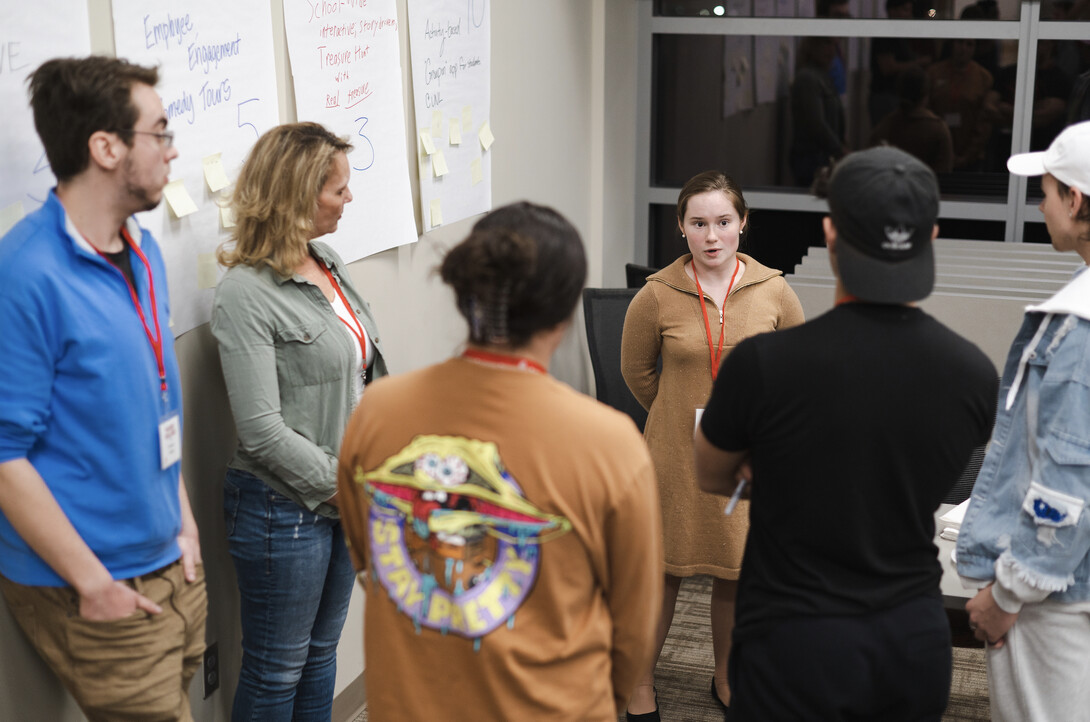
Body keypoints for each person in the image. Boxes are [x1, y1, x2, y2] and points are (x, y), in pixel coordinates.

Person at [694, 146, 997, 720]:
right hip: (909, 639)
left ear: (831, 235)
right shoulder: (973, 375)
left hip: (789, 635)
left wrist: (779, 464)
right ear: (930, 238)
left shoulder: (762, 366)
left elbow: (710, 472)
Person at [336, 202, 663, 721]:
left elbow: (368, 561)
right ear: (564, 314)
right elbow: (634, 629)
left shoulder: (377, 410)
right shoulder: (610, 444)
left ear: (465, 295)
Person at [0, 56, 207, 720]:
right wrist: (94, 584)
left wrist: (185, 526)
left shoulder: (139, 249)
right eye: (161, 134)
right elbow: (4, 459)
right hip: (100, 584)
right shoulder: (26, 274)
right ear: (107, 147)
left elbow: (154, 404)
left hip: (170, 560)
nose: (173, 153)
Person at [211, 122, 387, 721]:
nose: (349, 198)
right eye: (338, 188)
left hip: (341, 493)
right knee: (276, 669)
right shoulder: (243, 294)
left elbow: (360, 368)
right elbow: (260, 432)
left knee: (319, 658)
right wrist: (349, 483)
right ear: (297, 194)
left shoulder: (326, 261)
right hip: (280, 507)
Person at [621, 171, 804, 719]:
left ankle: (726, 677)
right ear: (681, 228)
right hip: (675, 453)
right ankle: (639, 682)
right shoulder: (657, 294)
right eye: (698, 223)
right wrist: (678, 411)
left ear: (743, 223)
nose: (712, 235)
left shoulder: (774, 290)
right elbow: (635, 371)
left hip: (747, 457)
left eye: (723, 221)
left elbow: (793, 368)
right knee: (664, 568)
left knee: (736, 569)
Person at [956, 120, 1090, 722]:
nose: (1039, 203)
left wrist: (1006, 594)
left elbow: (1067, 488)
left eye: (1046, 189)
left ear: (1077, 200)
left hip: (1057, 600)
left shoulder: (1082, 333)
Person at [869, 66, 954, 174]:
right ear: (926, 95)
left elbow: (873, 166)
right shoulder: (938, 129)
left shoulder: (885, 126)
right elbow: (944, 171)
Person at [790, 37, 849, 187]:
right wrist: (839, 150)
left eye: (834, 45)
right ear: (812, 47)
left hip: (825, 156)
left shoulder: (824, 77)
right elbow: (816, 123)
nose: (831, 50)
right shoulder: (807, 78)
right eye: (826, 43)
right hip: (812, 158)